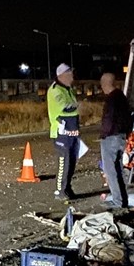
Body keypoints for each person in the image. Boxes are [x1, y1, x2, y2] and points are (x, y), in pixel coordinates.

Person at [46, 63, 80, 202]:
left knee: (71, 162)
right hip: (61, 132)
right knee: (63, 162)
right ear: (62, 75)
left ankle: (67, 188)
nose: (72, 76)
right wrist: (79, 107)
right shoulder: (55, 90)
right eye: (70, 74)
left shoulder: (68, 89)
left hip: (71, 132)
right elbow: (66, 109)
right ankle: (60, 191)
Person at [98, 72, 132, 209]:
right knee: (117, 169)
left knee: (110, 170)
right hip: (121, 137)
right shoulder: (122, 98)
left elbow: (109, 120)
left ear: (106, 84)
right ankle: (123, 199)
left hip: (111, 137)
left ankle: (118, 201)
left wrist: (103, 134)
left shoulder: (111, 99)